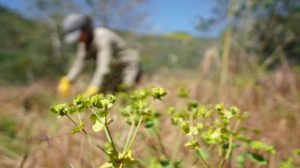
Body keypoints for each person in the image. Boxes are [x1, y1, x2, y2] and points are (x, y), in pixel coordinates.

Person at [57, 13, 142, 97]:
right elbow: (79, 63)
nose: (78, 40)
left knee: (125, 94)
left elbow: (104, 67)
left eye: (79, 36)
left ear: (86, 29)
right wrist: (68, 79)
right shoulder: (84, 43)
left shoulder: (102, 36)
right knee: (107, 96)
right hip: (116, 70)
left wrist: (94, 86)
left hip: (129, 68)